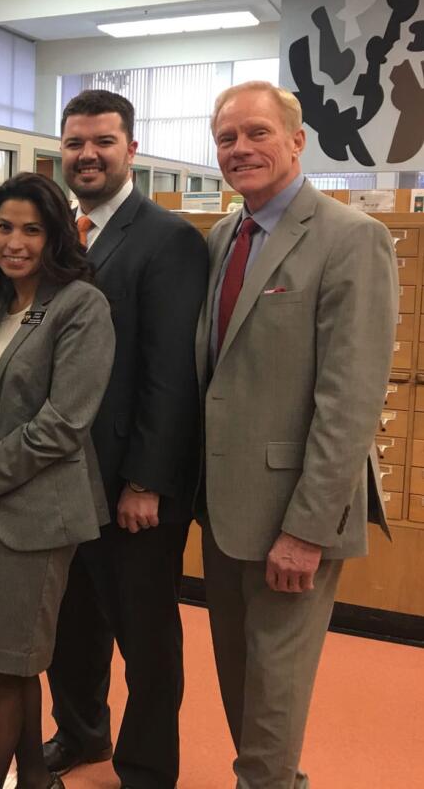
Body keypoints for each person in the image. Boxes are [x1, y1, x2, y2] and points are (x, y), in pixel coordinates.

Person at [197, 82, 395, 788]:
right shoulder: (225, 236)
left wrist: (307, 530)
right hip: (224, 506)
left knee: (275, 689)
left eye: (256, 133)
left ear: (296, 140)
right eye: (226, 139)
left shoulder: (351, 239)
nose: (241, 149)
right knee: (240, 677)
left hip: (294, 513)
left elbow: (349, 400)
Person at [43, 90, 209, 789]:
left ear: (130, 149)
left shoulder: (167, 239)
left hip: (129, 485)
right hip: (61, 479)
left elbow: (172, 371)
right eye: (75, 142)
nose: (87, 155)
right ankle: (82, 735)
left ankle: (145, 767)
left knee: (145, 637)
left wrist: (147, 480)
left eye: (102, 142)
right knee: (69, 623)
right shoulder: (58, 235)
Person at [0, 173, 114, 789]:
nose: (14, 241)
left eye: (31, 229)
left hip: (35, 514)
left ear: (56, 236)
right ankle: (35, 780)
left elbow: (63, 424)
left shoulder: (80, 305)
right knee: (10, 665)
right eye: (3, 227)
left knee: (5, 667)